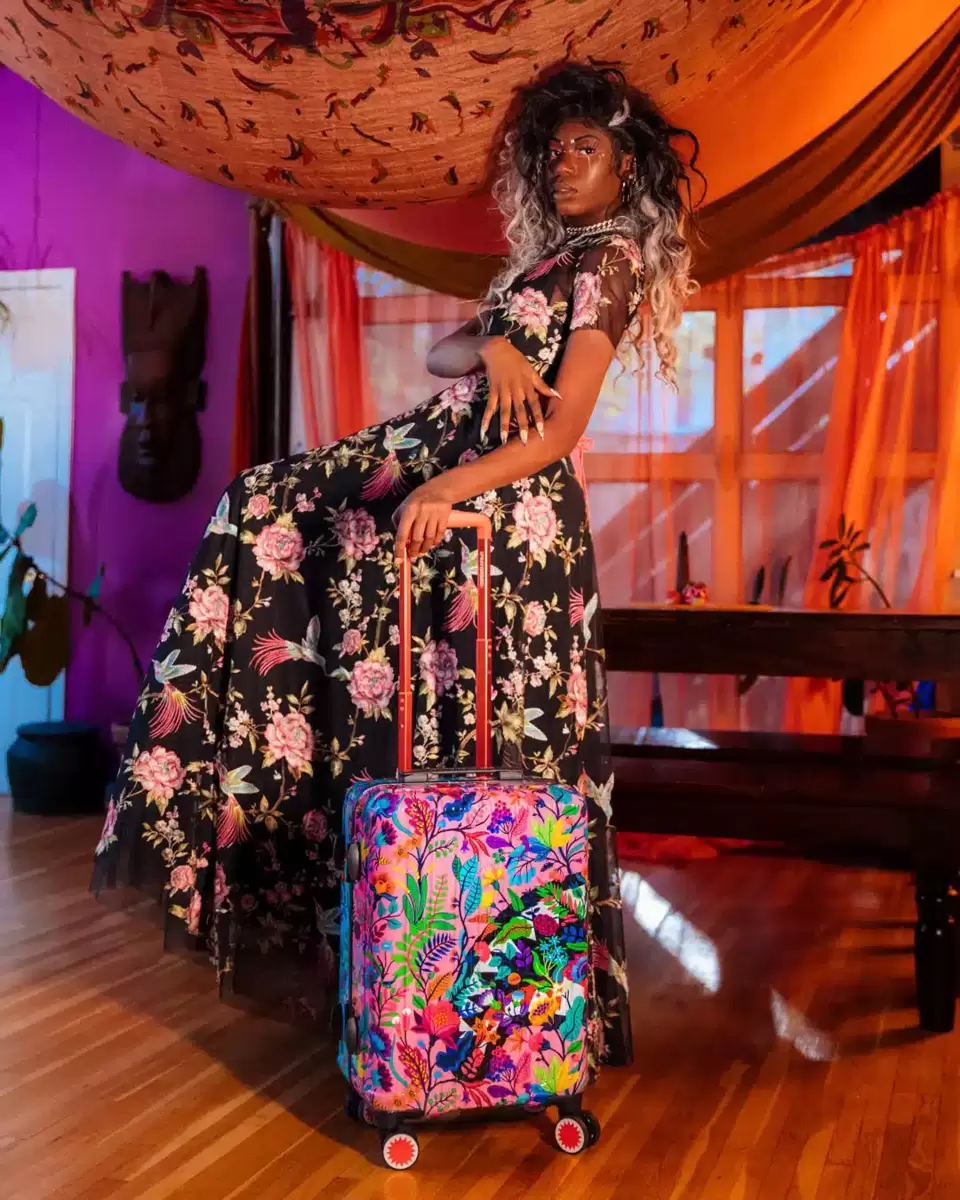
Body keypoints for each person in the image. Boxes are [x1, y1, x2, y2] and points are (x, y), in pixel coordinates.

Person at [93, 63, 700, 1070]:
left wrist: (444, 488)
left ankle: (505, 1018)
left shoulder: (611, 261)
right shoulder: (546, 265)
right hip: (440, 462)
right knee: (269, 516)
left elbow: (560, 434)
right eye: (554, 152)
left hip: (499, 501)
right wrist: (497, 346)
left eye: (586, 149)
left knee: (498, 735)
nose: (563, 166)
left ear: (625, 165)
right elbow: (442, 360)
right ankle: (399, 974)